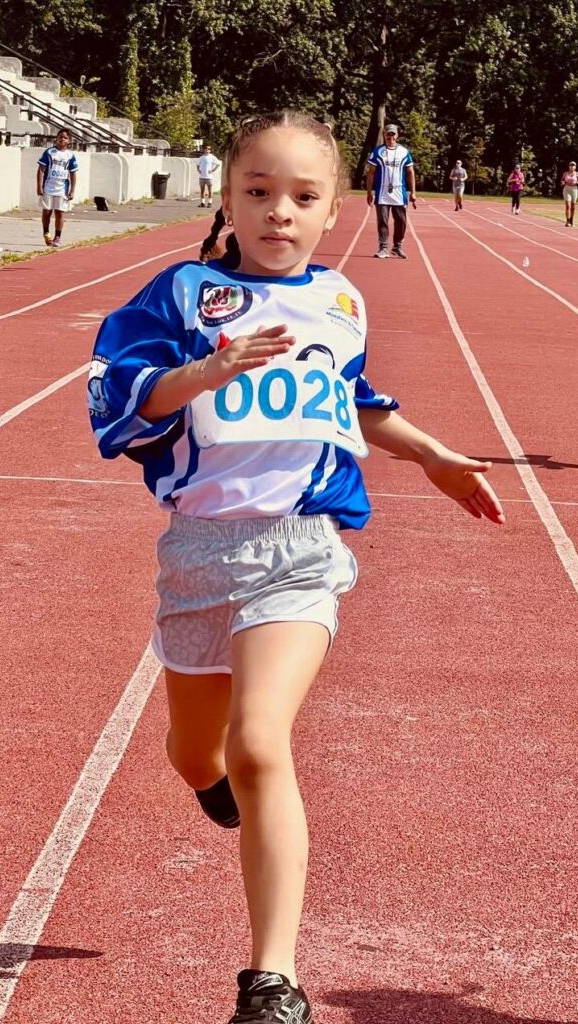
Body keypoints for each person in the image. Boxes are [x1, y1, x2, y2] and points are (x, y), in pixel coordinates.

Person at [88, 110, 504, 1024]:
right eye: (259, 191)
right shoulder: (183, 292)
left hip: (301, 549)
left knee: (259, 742)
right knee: (196, 753)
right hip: (199, 552)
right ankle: (212, 784)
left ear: (333, 208)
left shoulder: (341, 302)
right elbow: (121, 395)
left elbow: (356, 401)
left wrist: (431, 454)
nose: (280, 211)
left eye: (303, 196)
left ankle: (273, 981)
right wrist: (203, 374)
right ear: (228, 198)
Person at [366, 123, 416, 259]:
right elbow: (371, 173)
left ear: (397, 135)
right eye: (388, 134)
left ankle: (397, 246)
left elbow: (410, 172)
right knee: (382, 221)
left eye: (393, 134)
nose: (390, 137)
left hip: (399, 193)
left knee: (401, 221)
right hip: (382, 192)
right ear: (384, 135)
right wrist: (369, 192)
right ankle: (383, 248)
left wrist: (413, 192)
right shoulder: (378, 151)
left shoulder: (404, 152)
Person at [36, 128, 78, 248]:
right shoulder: (49, 152)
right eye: (60, 137)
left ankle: (57, 237)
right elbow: (41, 170)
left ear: (69, 141)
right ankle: (46, 232)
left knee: (59, 212)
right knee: (47, 211)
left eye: (65, 138)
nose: (62, 139)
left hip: (62, 188)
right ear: (57, 138)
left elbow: (73, 173)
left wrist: (72, 190)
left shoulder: (70, 155)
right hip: (48, 187)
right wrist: (39, 186)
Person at [560, 160, 578, 226]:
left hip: (574, 189)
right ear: (569, 166)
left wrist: (576, 182)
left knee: (573, 206)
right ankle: (567, 221)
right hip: (567, 189)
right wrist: (563, 182)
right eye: (571, 165)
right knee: (568, 206)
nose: (572, 167)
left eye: (573, 166)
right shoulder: (565, 173)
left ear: (575, 167)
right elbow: (562, 180)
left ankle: (571, 220)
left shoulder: (577, 174)